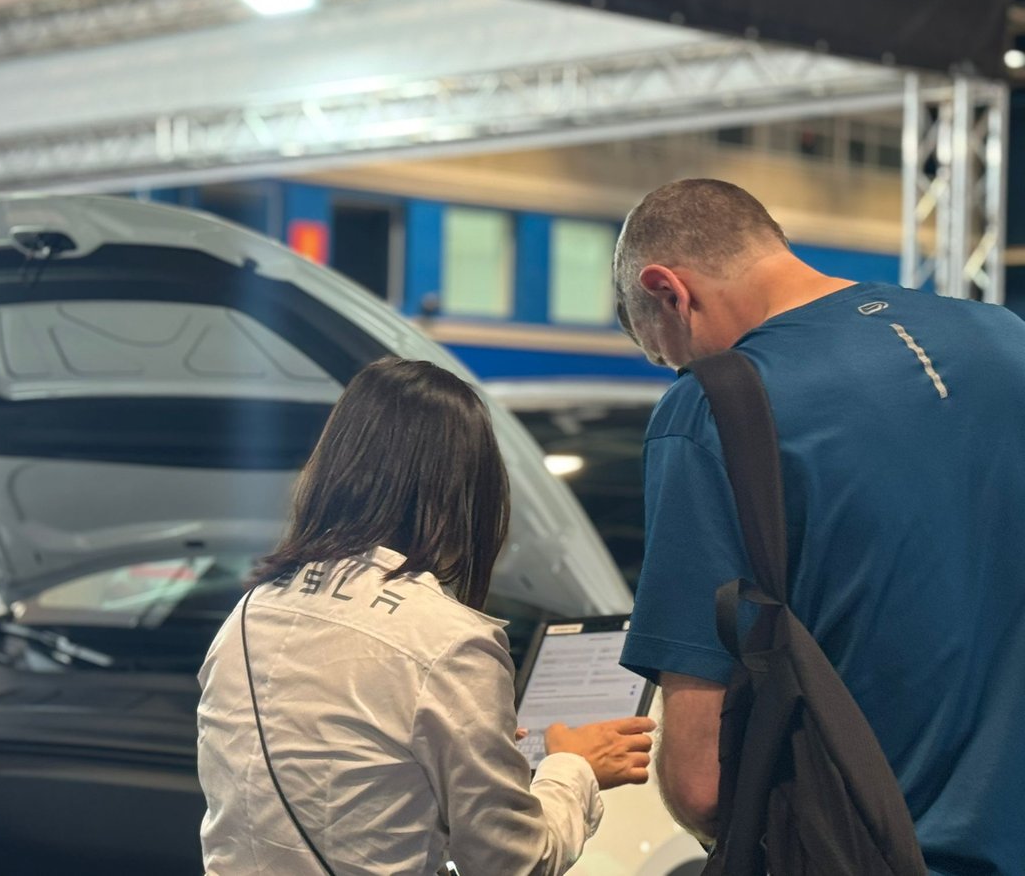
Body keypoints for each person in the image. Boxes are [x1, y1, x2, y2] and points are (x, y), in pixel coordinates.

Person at [612, 178, 1025, 875]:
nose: (677, 371)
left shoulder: (717, 406)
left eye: (665, 354)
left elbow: (700, 783)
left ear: (668, 292)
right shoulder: (1006, 338)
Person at [198, 356, 656, 876]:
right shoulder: (448, 642)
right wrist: (572, 768)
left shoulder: (251, 611)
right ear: (466, 491)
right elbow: (514, 862)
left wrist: (464, 756)